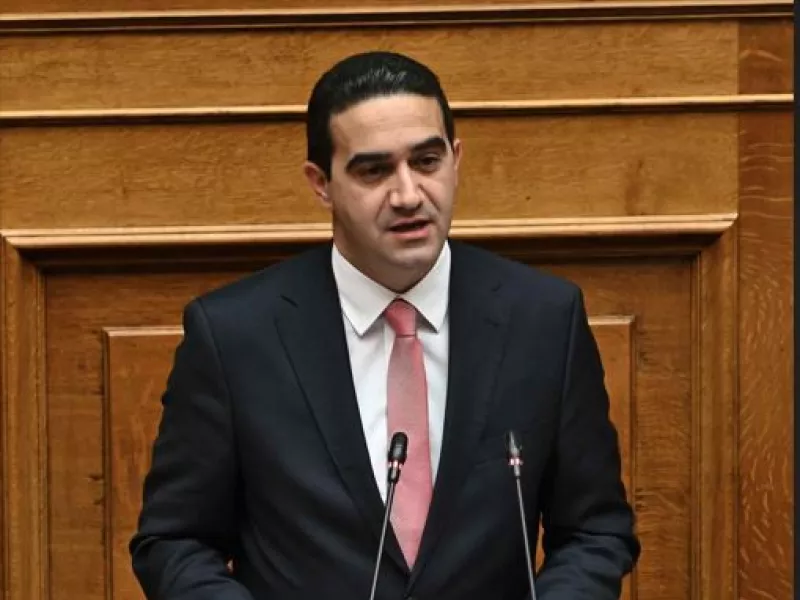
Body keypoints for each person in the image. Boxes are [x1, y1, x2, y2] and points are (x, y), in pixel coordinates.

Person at [130, 51, 640, 600]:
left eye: (427, 161)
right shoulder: (235, 336)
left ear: (456, 159)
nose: (408, 195)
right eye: (374, 171)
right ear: (321, 183)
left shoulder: (544, 319)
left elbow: (594, 532)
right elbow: (175, 541)